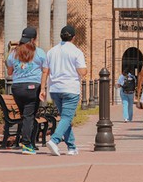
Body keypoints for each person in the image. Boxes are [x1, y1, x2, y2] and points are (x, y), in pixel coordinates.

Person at [39, 25, 87, 156]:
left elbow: (45, 71)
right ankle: (54, 140)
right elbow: (82, 71)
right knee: (66, 117)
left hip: (55, 89)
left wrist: (42, 88)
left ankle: (72, 147)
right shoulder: (76, 52)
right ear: (73, 37)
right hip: (70, 88)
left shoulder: (51, 52)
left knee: (66, 119)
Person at [6, 27, 48, 155]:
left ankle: (30, 143)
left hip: (17, 88)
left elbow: (9, 72)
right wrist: (42, 88)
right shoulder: (40, 53)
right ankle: (27, 145)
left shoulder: (13, 53)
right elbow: (45, 71)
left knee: (26, 116)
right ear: (34, 39)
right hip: (32, 88)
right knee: (29, 116)